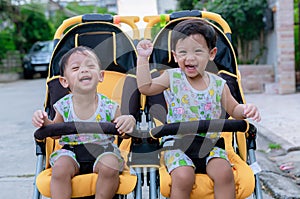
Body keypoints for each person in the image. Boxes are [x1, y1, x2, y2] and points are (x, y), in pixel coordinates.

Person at [136, 19, 261, 199]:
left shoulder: (219, 84)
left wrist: (246, 109)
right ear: (175, 55)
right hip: (177, 145)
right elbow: (145, 88)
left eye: (197, 51)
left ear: (211, 54)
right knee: (183, 176)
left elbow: (234, 109)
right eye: (183, 52)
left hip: (210, 145)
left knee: (224, 173)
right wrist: (142, 58)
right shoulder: (172, 78)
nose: (190, 57)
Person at [32, 46, 136, 199]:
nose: (84, 70)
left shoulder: (110, 106)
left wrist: (128, 121)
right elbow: (54, 133)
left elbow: (124, 133)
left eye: (90, 66)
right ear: (64, 81)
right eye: (76, 68)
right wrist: (43, 120)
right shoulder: (63, 106)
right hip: (71, 151)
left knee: (111, 165)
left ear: (101, 76)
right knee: (60, 168)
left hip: (103, 150)